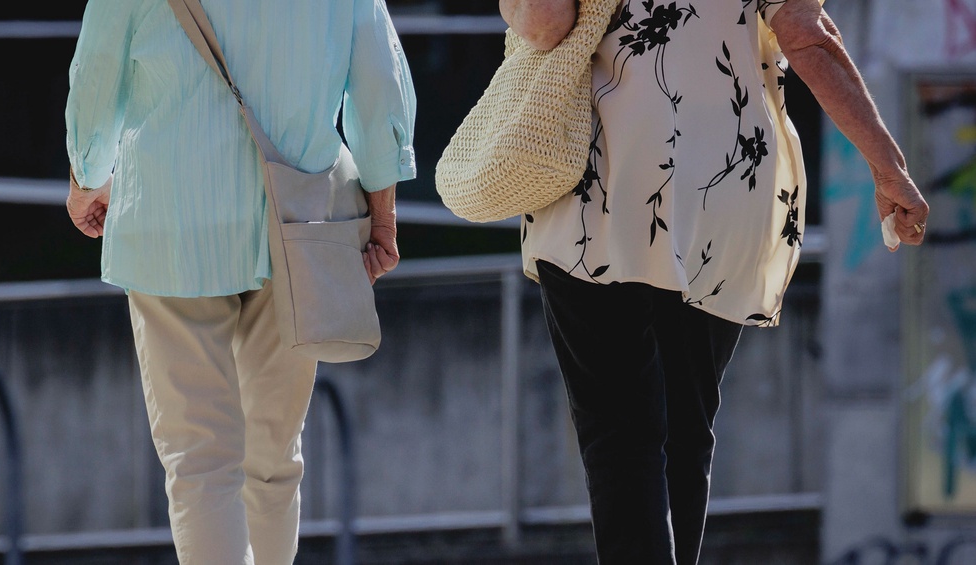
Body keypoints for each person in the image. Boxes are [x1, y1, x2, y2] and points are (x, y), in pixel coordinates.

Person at [500, 0, 929, 563]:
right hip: (725, 188)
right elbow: (807, 36)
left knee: (620, 440)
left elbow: (543, 19)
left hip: (600, 190)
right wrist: (889, 168)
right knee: (685, 427)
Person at [64, 1, 415, 563]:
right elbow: (379, 79)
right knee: (273, 460)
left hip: (171, 220)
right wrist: (382, 210)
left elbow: (98, 71)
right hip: (299, 224)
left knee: (201, 463)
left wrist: (88, 174)